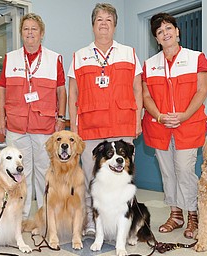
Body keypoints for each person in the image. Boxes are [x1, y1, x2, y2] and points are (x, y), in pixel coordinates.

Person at [68, 3, 143, 235]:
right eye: (99, 19)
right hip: (90, 129)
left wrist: (138, 120)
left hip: (122, 125)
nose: (104, 24)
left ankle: (124, 221)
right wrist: (73, 127)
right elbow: (73, 95)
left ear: (114, 26)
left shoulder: (129, 53)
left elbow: (138, 90)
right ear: (93, 25)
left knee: (122, 178)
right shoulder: (79, 56)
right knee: (94, 177)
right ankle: (93, 219)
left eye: (108, 20)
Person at [142, 12, 207, 239]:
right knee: (167, 172)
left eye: (168, 28)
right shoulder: (149, 64)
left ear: (178, 31)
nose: (165, 33)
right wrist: (161, 116)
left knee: (184, 170)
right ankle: (175, 214)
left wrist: (183, 116)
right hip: (159, 126)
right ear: (156, 38)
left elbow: (202, 91)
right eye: (160, 31)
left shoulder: (196, 58)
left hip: (189, 125)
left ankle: (193, 214)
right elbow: (146, 96)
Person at [0, 13, 67, 218]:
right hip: (16, 126)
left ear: (41, 33)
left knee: (44, 173)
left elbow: (61, 90)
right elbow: (2, 89)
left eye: (34, 29)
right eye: (26, 29)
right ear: (21, 34)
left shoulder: (54, 59)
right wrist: (1, 117)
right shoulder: (11, 59)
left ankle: (44, 217)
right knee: (18, 173)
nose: (29, 33)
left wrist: (61, 118)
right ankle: (19, 217)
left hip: (45, 126)